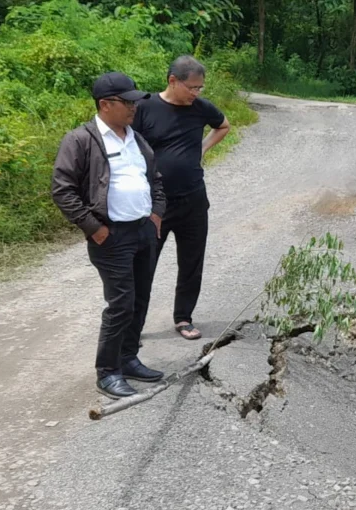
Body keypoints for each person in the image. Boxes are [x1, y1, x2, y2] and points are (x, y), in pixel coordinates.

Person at [52, 72, 167, 399]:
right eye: (127, 102)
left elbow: (155, 180)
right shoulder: (80, 140)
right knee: (121, 304)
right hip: (111, 236)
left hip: (143, 231)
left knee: (140, 299)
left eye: (135, 101)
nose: (134, 107)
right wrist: (95, 228)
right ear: (105, 104)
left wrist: (156, 214)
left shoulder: (136, 138)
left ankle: (128, 358)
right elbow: (63, 190)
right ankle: (108, 372)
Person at [133, 55, 231, 341]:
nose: (197, 93)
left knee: (191, 262)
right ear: (172, 80)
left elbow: (223, 125)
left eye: (201, 88)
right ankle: (133, 326)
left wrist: (201, 149)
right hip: (155, 204)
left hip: (194, 200)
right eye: (193, 87)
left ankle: (183, 317)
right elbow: (129, 143)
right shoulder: (145, 107)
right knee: (144, 266)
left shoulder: (200, 108)